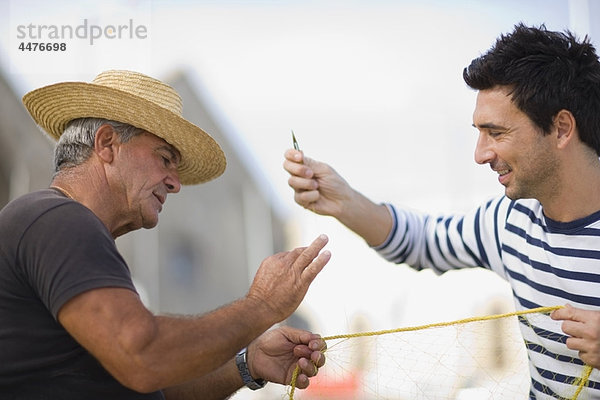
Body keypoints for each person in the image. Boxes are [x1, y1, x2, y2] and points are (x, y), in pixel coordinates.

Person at [284, 23, 600, 399]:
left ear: (562, 128)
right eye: (479, 133)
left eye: (496, 133)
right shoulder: (509, 222)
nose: (480, 154)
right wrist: (342, 200)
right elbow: (421, 241)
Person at [0, 69, 332, 400]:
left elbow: (146, 384)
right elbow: (142, 356)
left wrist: (248, 364)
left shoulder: (63, 227)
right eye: (164, 159)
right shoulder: (59, 220)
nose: (175, 183)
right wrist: (262, 305)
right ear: (106, 144)